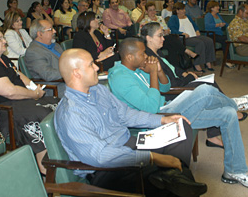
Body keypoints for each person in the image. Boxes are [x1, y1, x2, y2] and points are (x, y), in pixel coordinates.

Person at [108, 38, 248, 189]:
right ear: (129, 57)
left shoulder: (137, 68)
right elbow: (151, 108)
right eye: (143, 53)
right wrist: (153, 73)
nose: (147, 57)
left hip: (167, 109)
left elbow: (164, 87)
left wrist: (159, 71)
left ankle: (234, 171)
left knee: (228, 114)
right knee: (205, 90)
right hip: (154, 122)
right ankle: (234, 103)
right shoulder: (120, 78)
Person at [55, 48, 208, 197]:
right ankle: (174, 178)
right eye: (91, 65)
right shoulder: (71, 113)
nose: (96, 67)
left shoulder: (98, 90)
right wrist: (151, 157)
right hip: (107, 169)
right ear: (77, 73)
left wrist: (163, 119)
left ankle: (173, 177)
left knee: (180, 127)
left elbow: (125, 114)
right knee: (158, 174)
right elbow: (101, 156)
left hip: (130, 142)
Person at [0, 23, 56, 175]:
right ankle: (44, 166)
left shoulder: (2, 58)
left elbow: (19, 75)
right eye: (0, 39)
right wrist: (33, 95)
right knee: (39, 114)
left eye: (3, 37)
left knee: (55, 103)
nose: (5, 41)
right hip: (0, 112)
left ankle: (58, 152)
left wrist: (33, 87)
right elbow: (10, 92)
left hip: (17, 103)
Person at [140, 2, 198, 68]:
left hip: (164, 40)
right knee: (171, 39)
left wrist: (166, 31)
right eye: (150, 10)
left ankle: (174, 69)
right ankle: (186, 51)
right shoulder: (144, 21)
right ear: (147, 11)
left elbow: (168, 29)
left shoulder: (160, 18)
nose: (153, 12)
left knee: (172, 46)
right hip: (153, 42)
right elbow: (142, 35)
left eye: (154, 9)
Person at [168, 2, 215, 73]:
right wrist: (182, 33)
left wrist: (197, 30)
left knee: (209, 40)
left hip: (194, 35)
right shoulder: (173, 18)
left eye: (184, 9)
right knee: (200, 43)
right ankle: (197, 64)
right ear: (177, 11)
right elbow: (172, 30)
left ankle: (208, 61)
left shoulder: (187, 16)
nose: (184, 11)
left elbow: (195, 25)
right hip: (184, 38)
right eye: (182, 9)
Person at [24, 19, 65, 96]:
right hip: (53, 87)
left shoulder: (56, 45)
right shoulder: (34, 52)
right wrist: (70, 72)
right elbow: (48, 74)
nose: (54, 31)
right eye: (50, 29)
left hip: (66, 81)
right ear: (40, 34)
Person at [204, 1, 234, 68]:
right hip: (211, 35)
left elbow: (225, 23)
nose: (218, 7)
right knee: (225, 40)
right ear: (212, 8)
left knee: (230, 38)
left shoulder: (218, 15)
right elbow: (207, 26)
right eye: (216, 6)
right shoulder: (208, 15)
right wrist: (218, 25)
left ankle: (231, 58)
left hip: (219, 34)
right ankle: (227, 60)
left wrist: (231, 26)